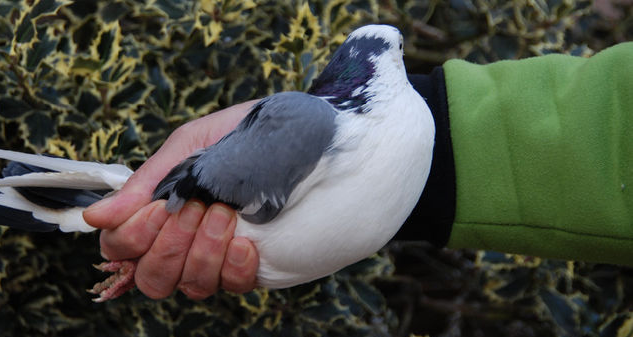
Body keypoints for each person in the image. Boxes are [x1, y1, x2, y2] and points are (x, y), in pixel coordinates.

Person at [84, 41, 633, 300]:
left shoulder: (344, 120)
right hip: (214, 199)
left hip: (254, 210)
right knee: (146, 228)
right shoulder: (311, 122)